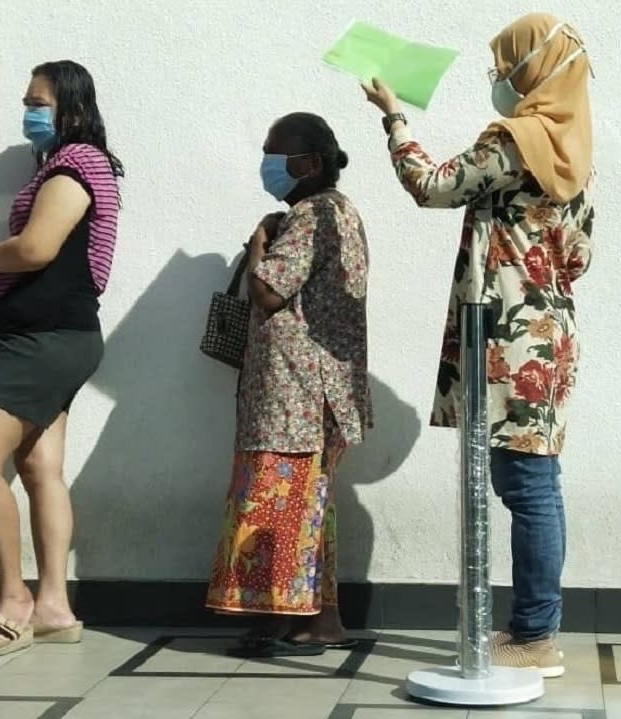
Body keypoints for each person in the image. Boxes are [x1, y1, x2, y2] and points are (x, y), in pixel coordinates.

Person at [362, 13, 595, 677]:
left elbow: (433, 185)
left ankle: (536, 633)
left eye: (507, 65)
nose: (499, 78)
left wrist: (393, 118)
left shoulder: (516, 138)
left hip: (510, 336)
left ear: (535, 70)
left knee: (526, 484)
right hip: (550, 333)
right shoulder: (573, 150)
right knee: (532, 477)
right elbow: (579, 255)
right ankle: (532, 627)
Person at [0, 60, 123, 656]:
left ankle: (14, 601)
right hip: (61, 337)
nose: (28, 110)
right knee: (38, 470)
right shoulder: (70, 166)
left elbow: (36, 248)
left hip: (43, 339)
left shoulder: (76, 166)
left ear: (73, 109)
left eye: (38, 101)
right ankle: (53, 606)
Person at [206, 113, 372, 657]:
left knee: (280, 503)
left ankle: (283, 616)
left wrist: (258, 241)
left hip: (295, 399)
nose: (268, 164)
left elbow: (269, 292)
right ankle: (320, 621)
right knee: (308, 507)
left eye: (276, 153)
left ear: (310, 163)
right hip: (310, 394)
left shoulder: (314, 216)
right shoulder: (334, 212)